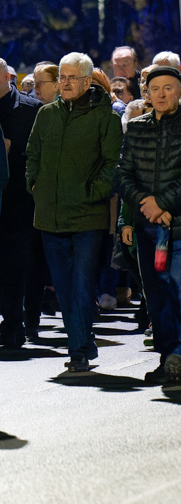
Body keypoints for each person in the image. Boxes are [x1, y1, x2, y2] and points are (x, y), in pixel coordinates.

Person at [116, 66, 181, 384]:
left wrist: (164, 203)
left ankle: (179, 360)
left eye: (168, 87)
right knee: (156, 294)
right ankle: (166, 357)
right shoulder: (137, 127)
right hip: (149, 228)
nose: (160, 93)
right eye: (154, 88)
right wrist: (146, 204)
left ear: (180, 91)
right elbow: (124, 173)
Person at [25, 52, 123, 371]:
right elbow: (33, 155)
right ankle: (81, 341)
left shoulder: (104, 117)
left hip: (86, 218)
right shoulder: (46, 114)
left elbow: (112, 165)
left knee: (81, 285)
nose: (65, 83)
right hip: (49, 216)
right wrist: (35, 186)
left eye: (71, 78)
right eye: (61, 78)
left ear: (85, 81)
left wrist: (91, 194)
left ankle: (79, 348)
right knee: (64, 287)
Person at [0, 58, 38, 348]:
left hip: (17, 201)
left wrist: (12, 152)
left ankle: (14, 323)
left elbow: (39, 157)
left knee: (15, 265)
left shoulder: (30, 109)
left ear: (7, 78)